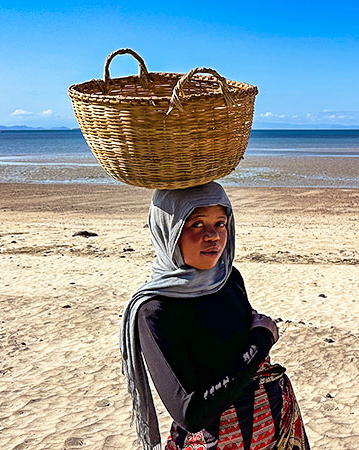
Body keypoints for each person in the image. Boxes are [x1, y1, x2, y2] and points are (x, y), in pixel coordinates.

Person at [118, 182, 309, 450]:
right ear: (168, 230)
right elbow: (191, 413)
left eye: (220, 223)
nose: (213, 236)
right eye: (197, 224)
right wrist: (262, 339)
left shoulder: (229, 279)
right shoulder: (155, 310)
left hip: (278, 424)